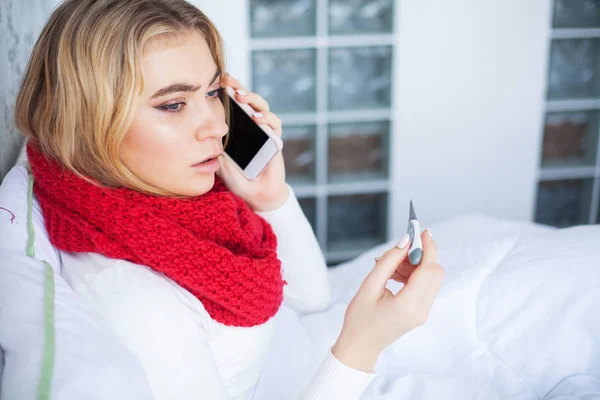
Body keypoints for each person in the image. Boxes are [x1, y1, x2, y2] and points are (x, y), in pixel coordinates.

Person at [0, 0, 444, 398]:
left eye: (213, 93)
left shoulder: (187, 202)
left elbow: (309, 297)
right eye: (173, 104)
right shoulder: (136, 301)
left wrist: (270, 198)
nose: (216, 125)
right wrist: (361, 348)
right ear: (85, 122)